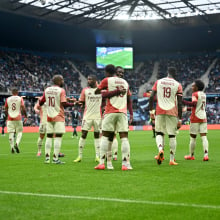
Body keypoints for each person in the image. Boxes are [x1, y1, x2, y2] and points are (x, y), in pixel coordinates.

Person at [73, 75, 124, 163]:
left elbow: (106, 100)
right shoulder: (85, 90)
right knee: (83, 134)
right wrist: (76, 103)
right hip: (87, 116)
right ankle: (80, 156)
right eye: (88, 79)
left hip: (98, 117)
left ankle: (97, 156)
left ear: (95, 80)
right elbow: (82, 102)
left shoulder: (101, 91)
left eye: (90, 79)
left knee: (97, 136)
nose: (88, 80)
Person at [94, 64, 133, 170]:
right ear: (117, 72)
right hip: (122, 113)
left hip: (110, 111)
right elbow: (129, 99)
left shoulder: (107, 80)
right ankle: (125, 164)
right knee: (124, 138)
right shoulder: (125, 83)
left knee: (105, 137)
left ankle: (102, 163)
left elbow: (97, 93)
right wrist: (131, 114)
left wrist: (106, 91)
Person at [149, 67, 183, 166]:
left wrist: (151, 111)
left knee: (159, 132)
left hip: (159, 111)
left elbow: (151, 97)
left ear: (167, 73)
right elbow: (180, 103)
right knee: (172, 135)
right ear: (175, 74)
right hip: (172, 111)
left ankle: (160, 150)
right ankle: (171, 160)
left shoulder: (158, 82)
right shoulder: (178, 85)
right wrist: (180, 118)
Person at [39, 75, 75, 164]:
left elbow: (41, 102)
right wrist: (73, 104)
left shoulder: (47, 90)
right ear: (59, 81)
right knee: (58, 137)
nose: (63, 81)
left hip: (49, 116)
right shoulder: (61, 90)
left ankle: (47, 159)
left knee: (49, 137)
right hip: (58, 116)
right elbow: (64, 103)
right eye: (62, 80)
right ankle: (55, 159)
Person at [108, 66, 133, 162]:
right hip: (112, 112)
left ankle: (124, 161)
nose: (121, 74)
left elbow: (129, 100)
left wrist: (131, 114)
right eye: (119, 72)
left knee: (123, 137)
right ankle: (112, 157)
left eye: (122, 73)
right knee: (112, 136)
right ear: (115, 72)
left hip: (121, 113)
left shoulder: (125, 84)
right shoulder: (110, 82)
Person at [182, 80, 209, 161]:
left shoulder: (195, 94)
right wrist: (187, 109)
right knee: (204, 137)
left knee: (193, 138)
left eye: (193, 86)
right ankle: (206, 155)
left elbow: (194, 104)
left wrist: (182, 101)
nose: (191, 87)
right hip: (203, 117)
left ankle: (191, 155)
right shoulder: (204, 94)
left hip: (195, 118)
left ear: (197, 87)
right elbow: (198, 106)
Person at [4, 87, 27, 153]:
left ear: (11, 92)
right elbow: (23, 108)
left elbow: (5, 109)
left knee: (11, 133)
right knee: (19, 132)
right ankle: (17, 143)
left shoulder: (8, 99)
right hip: (18, 117)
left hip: (10, 118)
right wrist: (25, 116)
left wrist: (6, 117)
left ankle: (11, 147)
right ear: (17, 92)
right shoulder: (20, 98)